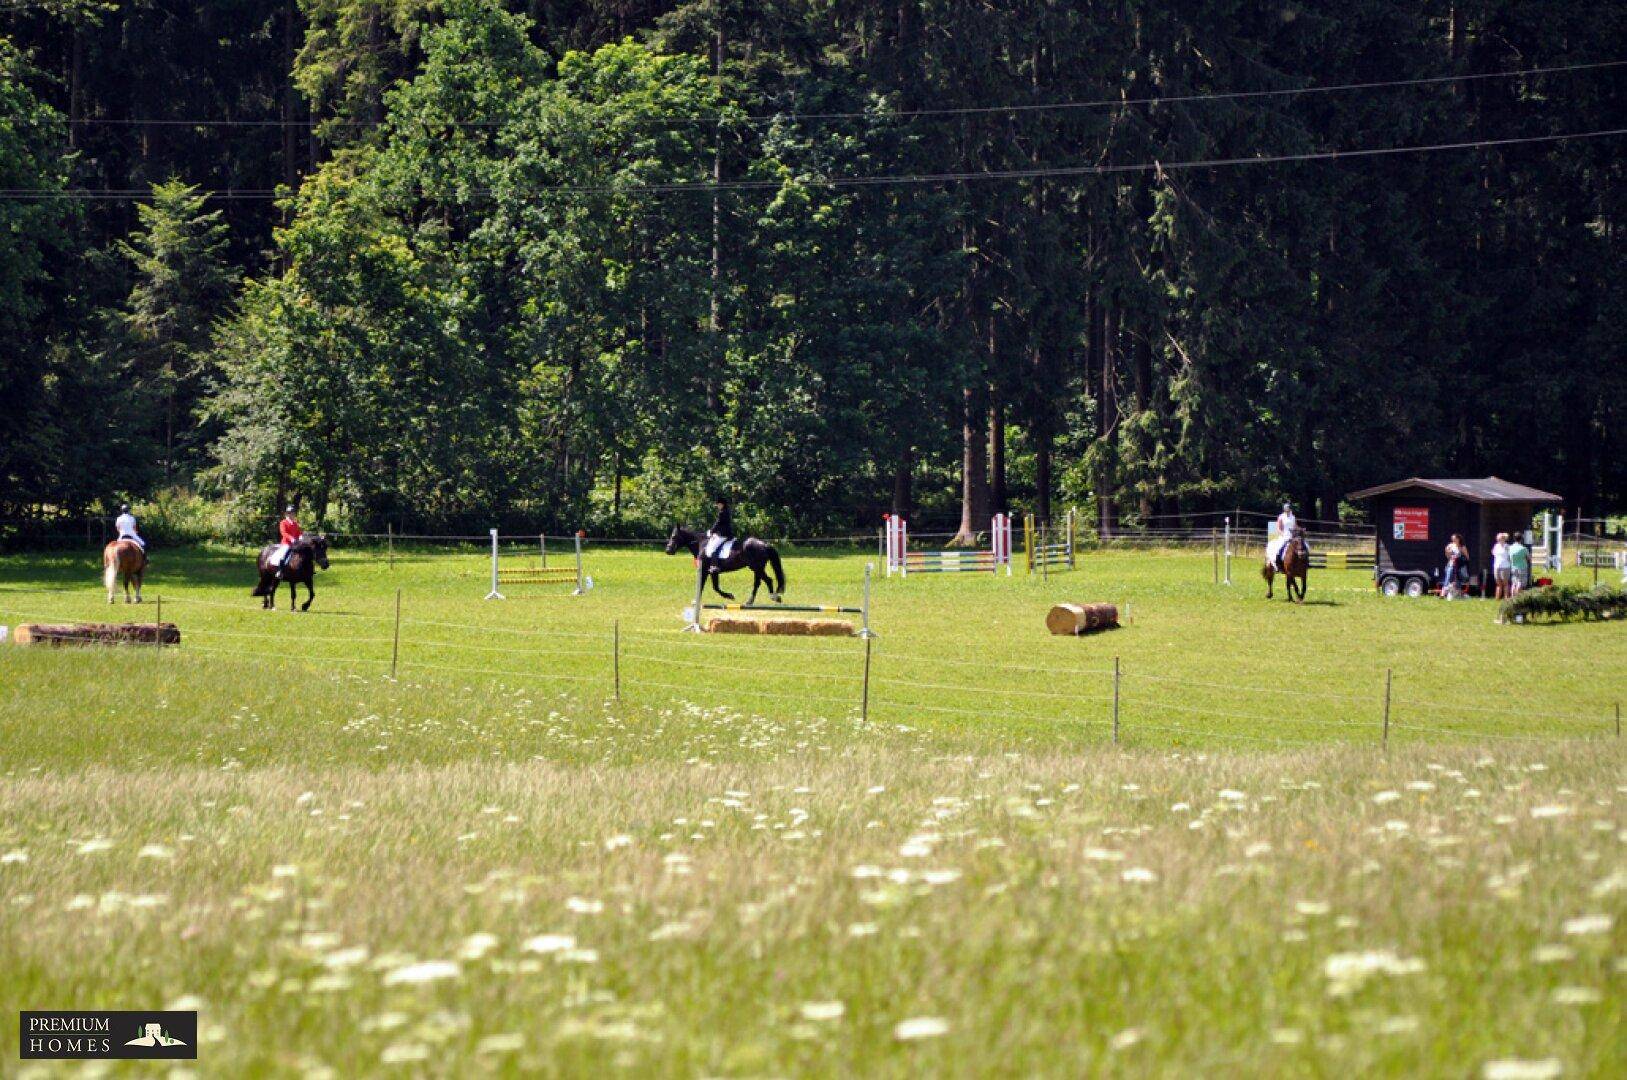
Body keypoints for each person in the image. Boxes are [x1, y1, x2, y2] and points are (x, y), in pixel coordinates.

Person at [703, 496, 735, 567]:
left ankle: (714, 566)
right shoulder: (726, 511)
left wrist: (712, 531)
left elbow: (718, 523)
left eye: (718, 504)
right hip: (726, 533)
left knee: (712, 548)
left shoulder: (722, 512)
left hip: (724, 534)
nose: (717, 506)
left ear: (722, 504)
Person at [274, 505, 303, 580]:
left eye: (293, 513)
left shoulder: (295, 523)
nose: (292, 515)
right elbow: (284, 533)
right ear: (287, 514)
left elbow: (298, 532)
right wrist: (291, 538)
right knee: (283, 554)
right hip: (286, 543)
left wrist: (300, 536)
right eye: (290, 513)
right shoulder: (283, 523)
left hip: (295, 543)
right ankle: (280, 571)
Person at [1442, 533, 1467, 598]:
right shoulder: (1450, 545)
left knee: (1458, 580)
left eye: (1454, 539)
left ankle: (1458, 595)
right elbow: (1447, 556)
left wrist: (1461, 557)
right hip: (1451, 564)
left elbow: (1467, 557)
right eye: (1452, 539)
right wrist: (1447, 552)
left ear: (1458, 539)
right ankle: (1443, 593)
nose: (1453, 540)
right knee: (1448, 578)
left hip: (1459, 566)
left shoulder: (1462, 547)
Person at [1491, 532, 1512, 600]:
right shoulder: (1496, 546)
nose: (1499, 540)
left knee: (1505, 583)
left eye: (1501, 538)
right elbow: (1493, 553)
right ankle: (1497, 598)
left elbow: (1510, 555)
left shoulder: (1507, 547)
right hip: (1497, 566)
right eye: (1498, 539)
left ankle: (1506, 597)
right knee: (1498, 583)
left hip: (1505, 566)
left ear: (1504, 539)